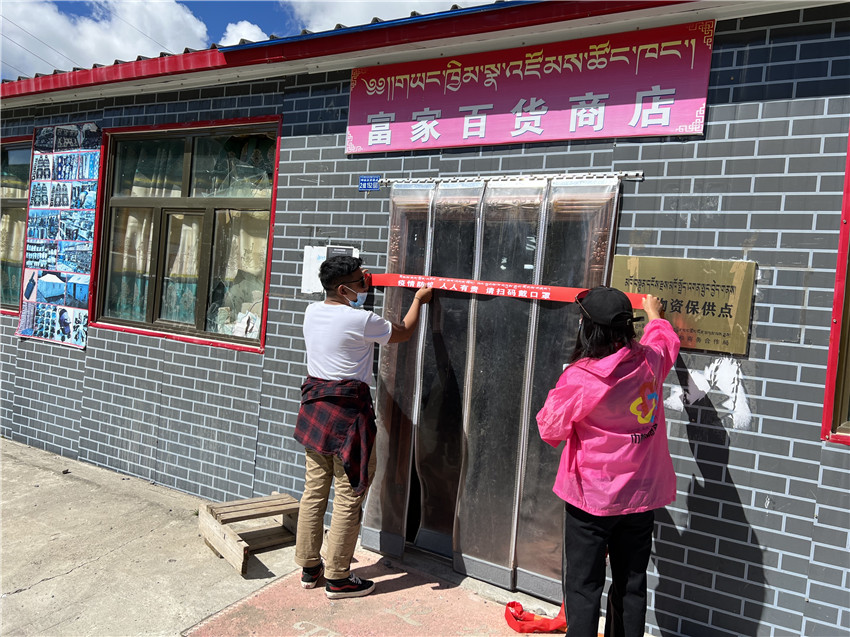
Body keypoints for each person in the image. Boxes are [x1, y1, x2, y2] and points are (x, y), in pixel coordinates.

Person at [536, 286, 680, 637]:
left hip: (591, 500)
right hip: (640, 497)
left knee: (584, 588)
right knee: (631, 585)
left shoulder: (583, 377)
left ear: (590, 330)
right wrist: (655, 314)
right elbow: (665, 342)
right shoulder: (650, 362)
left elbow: (550, 429)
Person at [294, 255, 432, 599]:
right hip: (347, 416)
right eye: (360, 282)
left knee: (314, 491)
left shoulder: (312, 311)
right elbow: (403, 331)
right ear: (343, 289)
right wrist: (419, 299)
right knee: (349, 494)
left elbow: (348, 309)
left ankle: (310, 567)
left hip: (314, 410)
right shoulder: (361, 320)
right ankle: (338, 578)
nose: (365, 285)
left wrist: (359, 280)